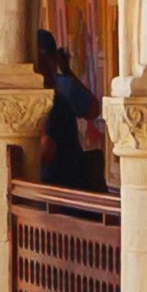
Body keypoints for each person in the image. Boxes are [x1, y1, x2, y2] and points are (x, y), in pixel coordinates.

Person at [38, 28, 107, 192]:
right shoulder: (64, 85)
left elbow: (47, 148)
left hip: (60, 188)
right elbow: (92, 109)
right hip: (66, 184)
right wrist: (67, 70)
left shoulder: (55, 96)